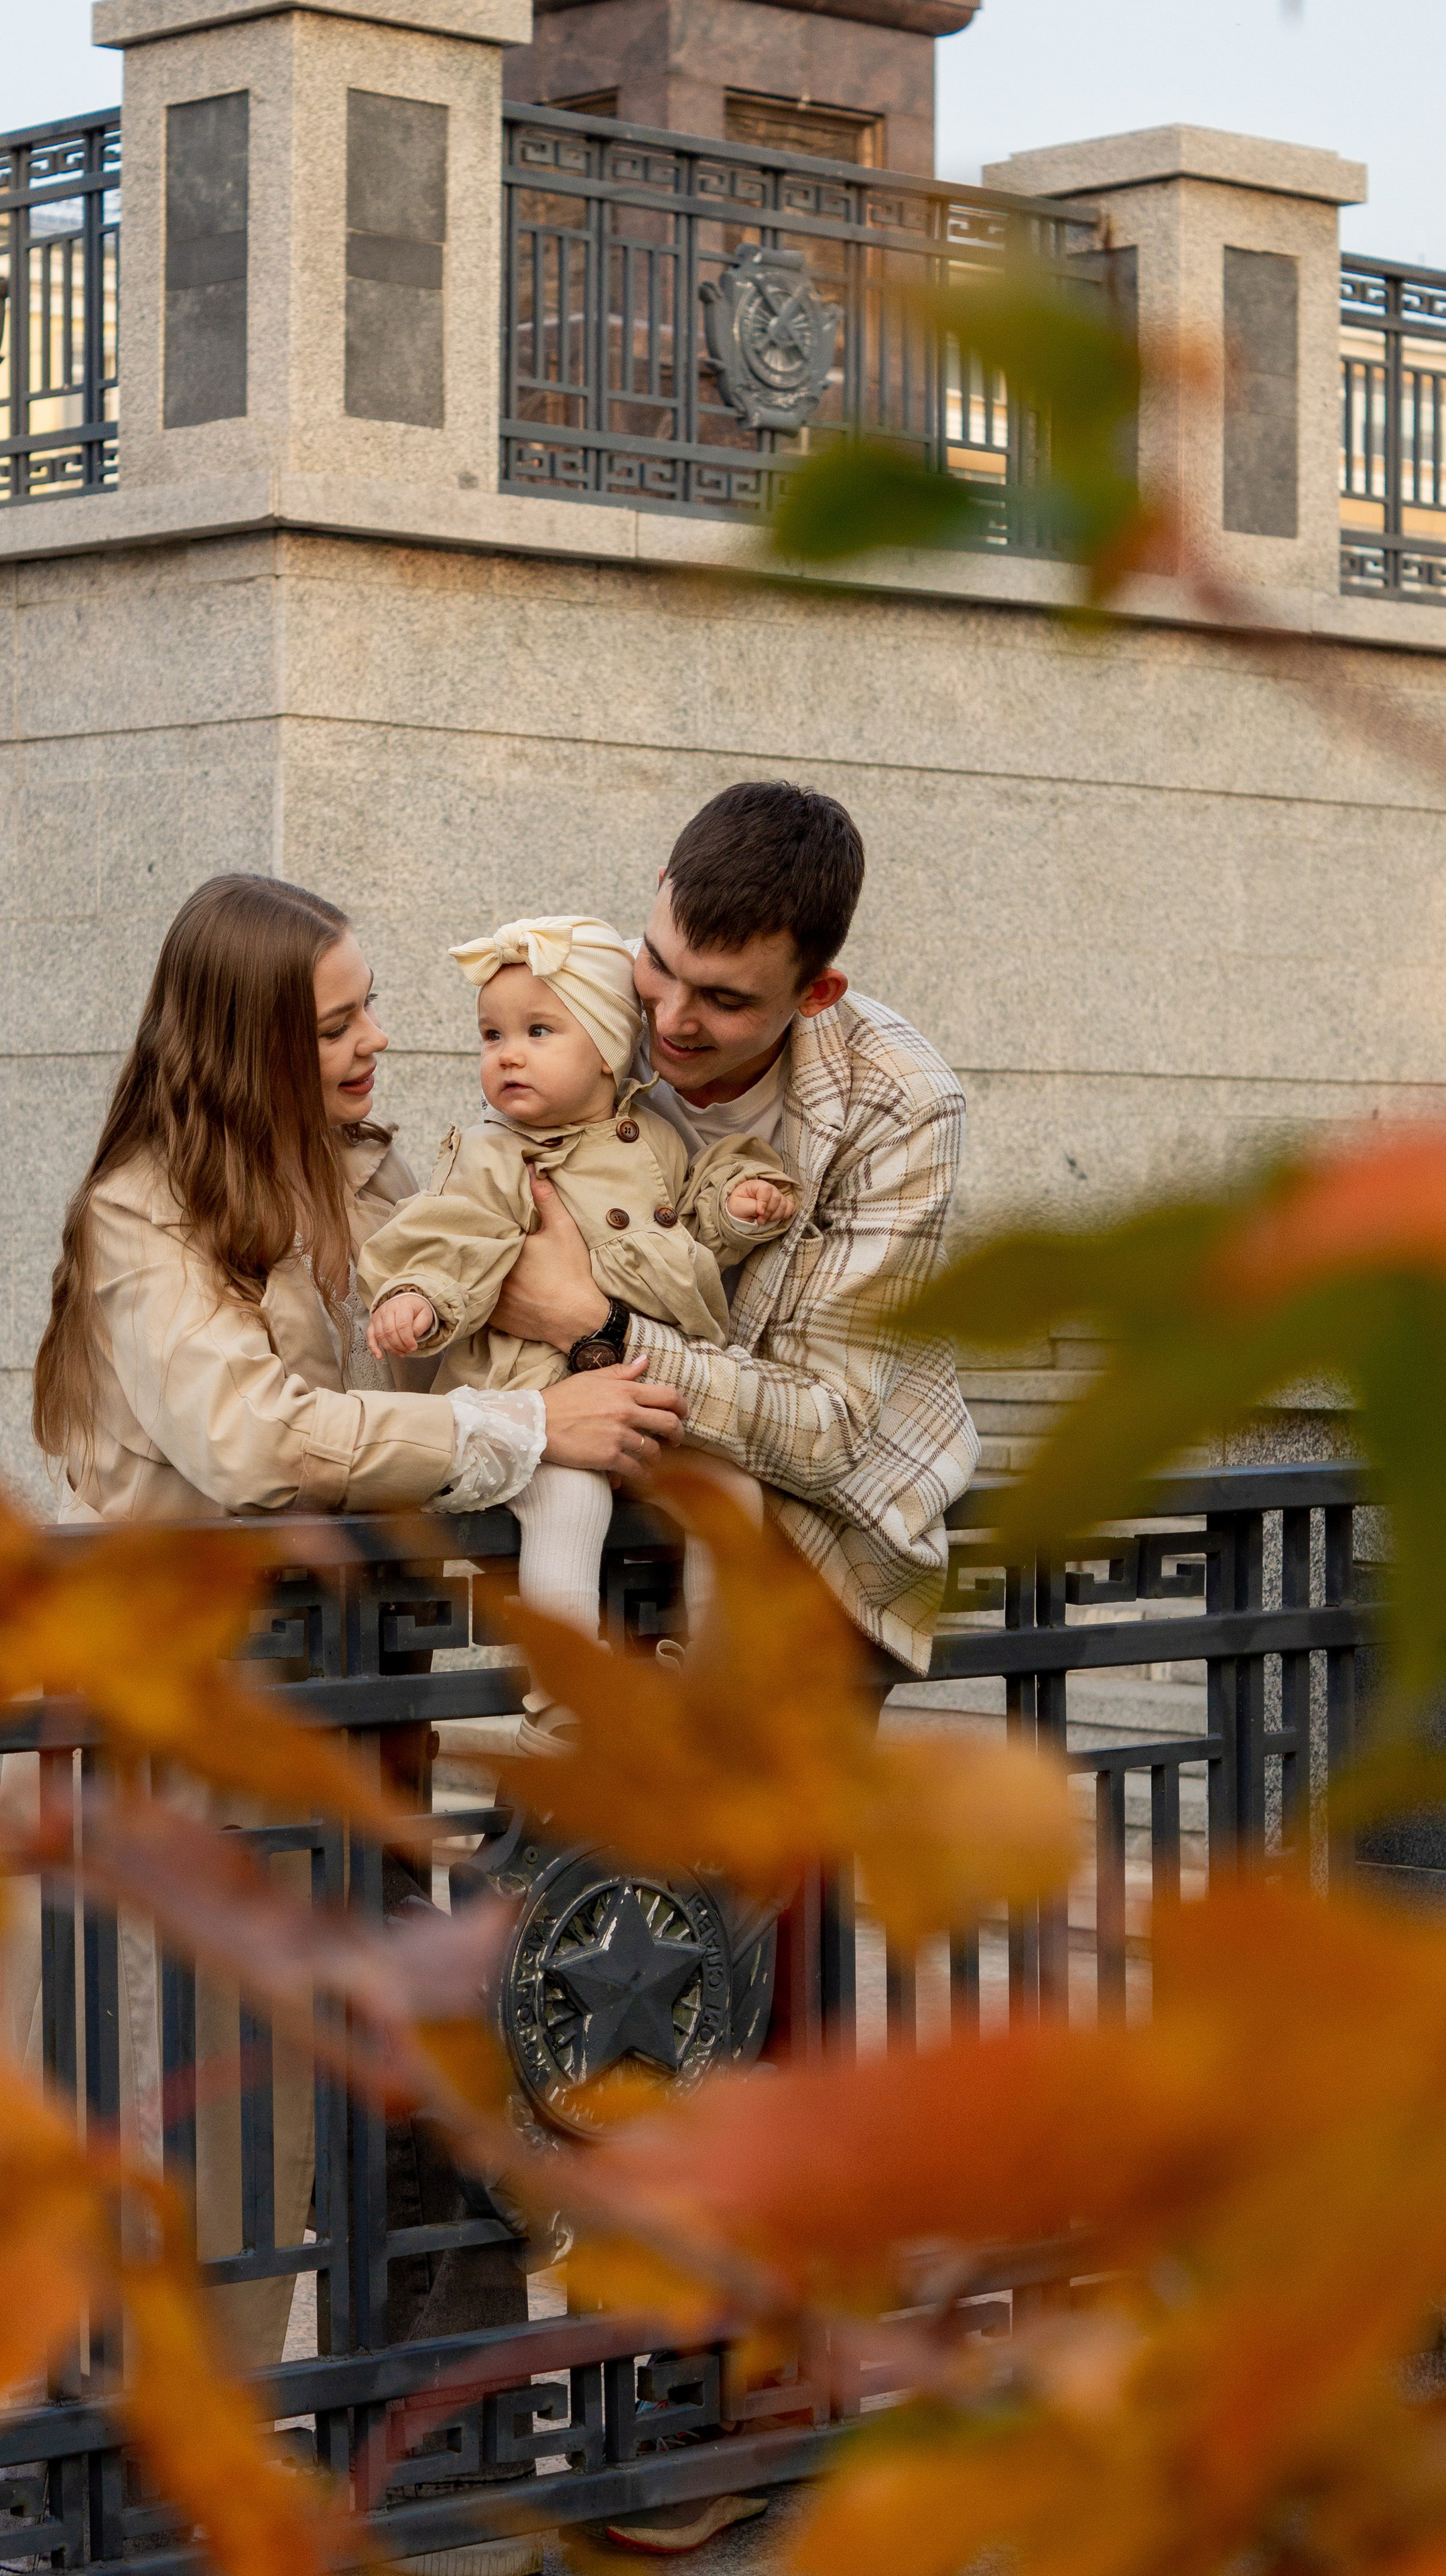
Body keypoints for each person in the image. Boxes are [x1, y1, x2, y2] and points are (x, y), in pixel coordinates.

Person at [17, 874, 683, 2492]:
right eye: (336, 1023)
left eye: (375, 1007)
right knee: (212, 2149)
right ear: (249, 1041)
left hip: (365, 1709)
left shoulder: (376, 1178)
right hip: (194, 1731)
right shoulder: (142, 1212)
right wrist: (525, 1433)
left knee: (432, 2105)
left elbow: (474, 1328)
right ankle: (153, 2496)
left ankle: (427, 2473)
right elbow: (247, 1442)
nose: (380, 1042)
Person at [483, 785, 980, 2555]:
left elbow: (830, 1416)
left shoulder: (896, 1105)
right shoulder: (607, 1009)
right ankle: (588, 2375)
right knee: (577, 1950)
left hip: (823, 1552)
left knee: (721, 1966)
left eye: (727, 1003)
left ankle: (744, 2409)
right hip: (642, 1534)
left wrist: (603, 1331)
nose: (678, 1024)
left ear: (816, 994)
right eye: (665, 970)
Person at [356, 914, 793, 1713]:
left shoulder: (654, 1138)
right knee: (569, 1502)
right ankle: (567, 1693)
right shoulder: (493, 1154)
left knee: (728, 1492)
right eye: (490, 1035)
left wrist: (740, 1203)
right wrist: (419, 1296)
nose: (507, 1053)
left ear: (604, 1047)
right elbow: (447, 1234)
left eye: (537, 1030)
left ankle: (714, 1672)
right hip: (533, 1400)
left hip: (642, 1396)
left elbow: (692, 1216)